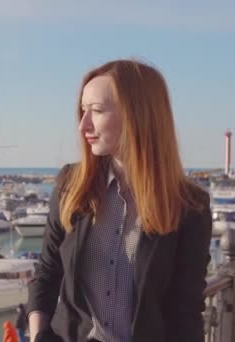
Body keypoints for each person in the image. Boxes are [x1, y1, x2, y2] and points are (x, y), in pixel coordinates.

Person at [26, 59, 212, 342]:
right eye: (82, 111)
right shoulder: (71, 184)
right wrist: (39, 333)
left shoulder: (189, 206)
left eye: (97, 111)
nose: (83, 125)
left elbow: (185, 310)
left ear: (139, 115)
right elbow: (47, 273)